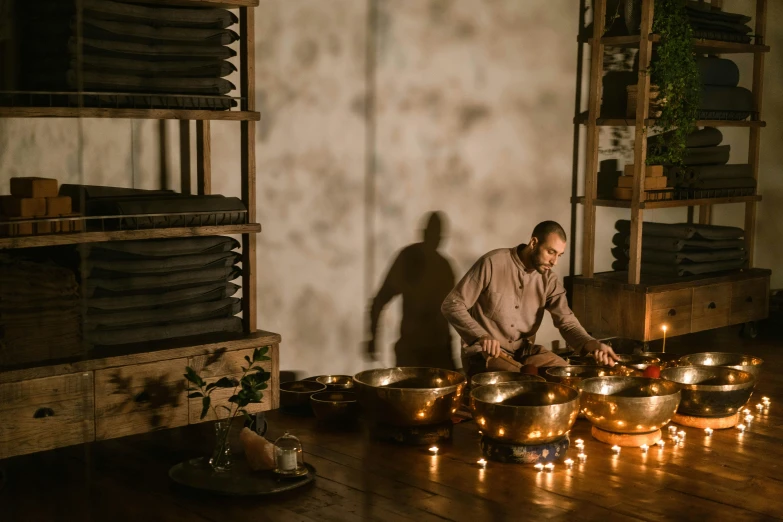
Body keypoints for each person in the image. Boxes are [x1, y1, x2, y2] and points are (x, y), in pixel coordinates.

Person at [441, 220, 618, 377]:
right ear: (534, 243)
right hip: (483, 355)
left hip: (523, 352)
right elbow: (452, 305)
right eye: (550, 252)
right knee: (528, 381)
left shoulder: (549, 281)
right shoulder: (493, 263)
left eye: (559, 255)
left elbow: (567, 323)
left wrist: (592, 344)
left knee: (567, 376)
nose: (554, 261)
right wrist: (481, 336)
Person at [367, 212, 458, 370]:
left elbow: (450, 315)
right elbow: (380, 300)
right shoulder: (409, 260)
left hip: (437, 352)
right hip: (414, 351)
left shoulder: (445, 268)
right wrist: (373, 338)